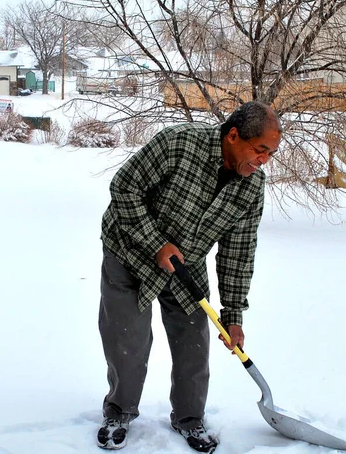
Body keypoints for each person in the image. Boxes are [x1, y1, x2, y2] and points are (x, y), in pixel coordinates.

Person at [97, 101, 282, 452]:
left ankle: (189, 417)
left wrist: (233, 315)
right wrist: (156, 243)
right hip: (130, 250)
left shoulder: (251, 188)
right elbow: (124, 188)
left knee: (194, 342)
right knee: (127, 341)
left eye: (270, 154)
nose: (263, 161)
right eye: (260, 150)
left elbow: (237, 254)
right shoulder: (178, 144)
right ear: (232, 136)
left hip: (187, 262)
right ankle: (119, 411)